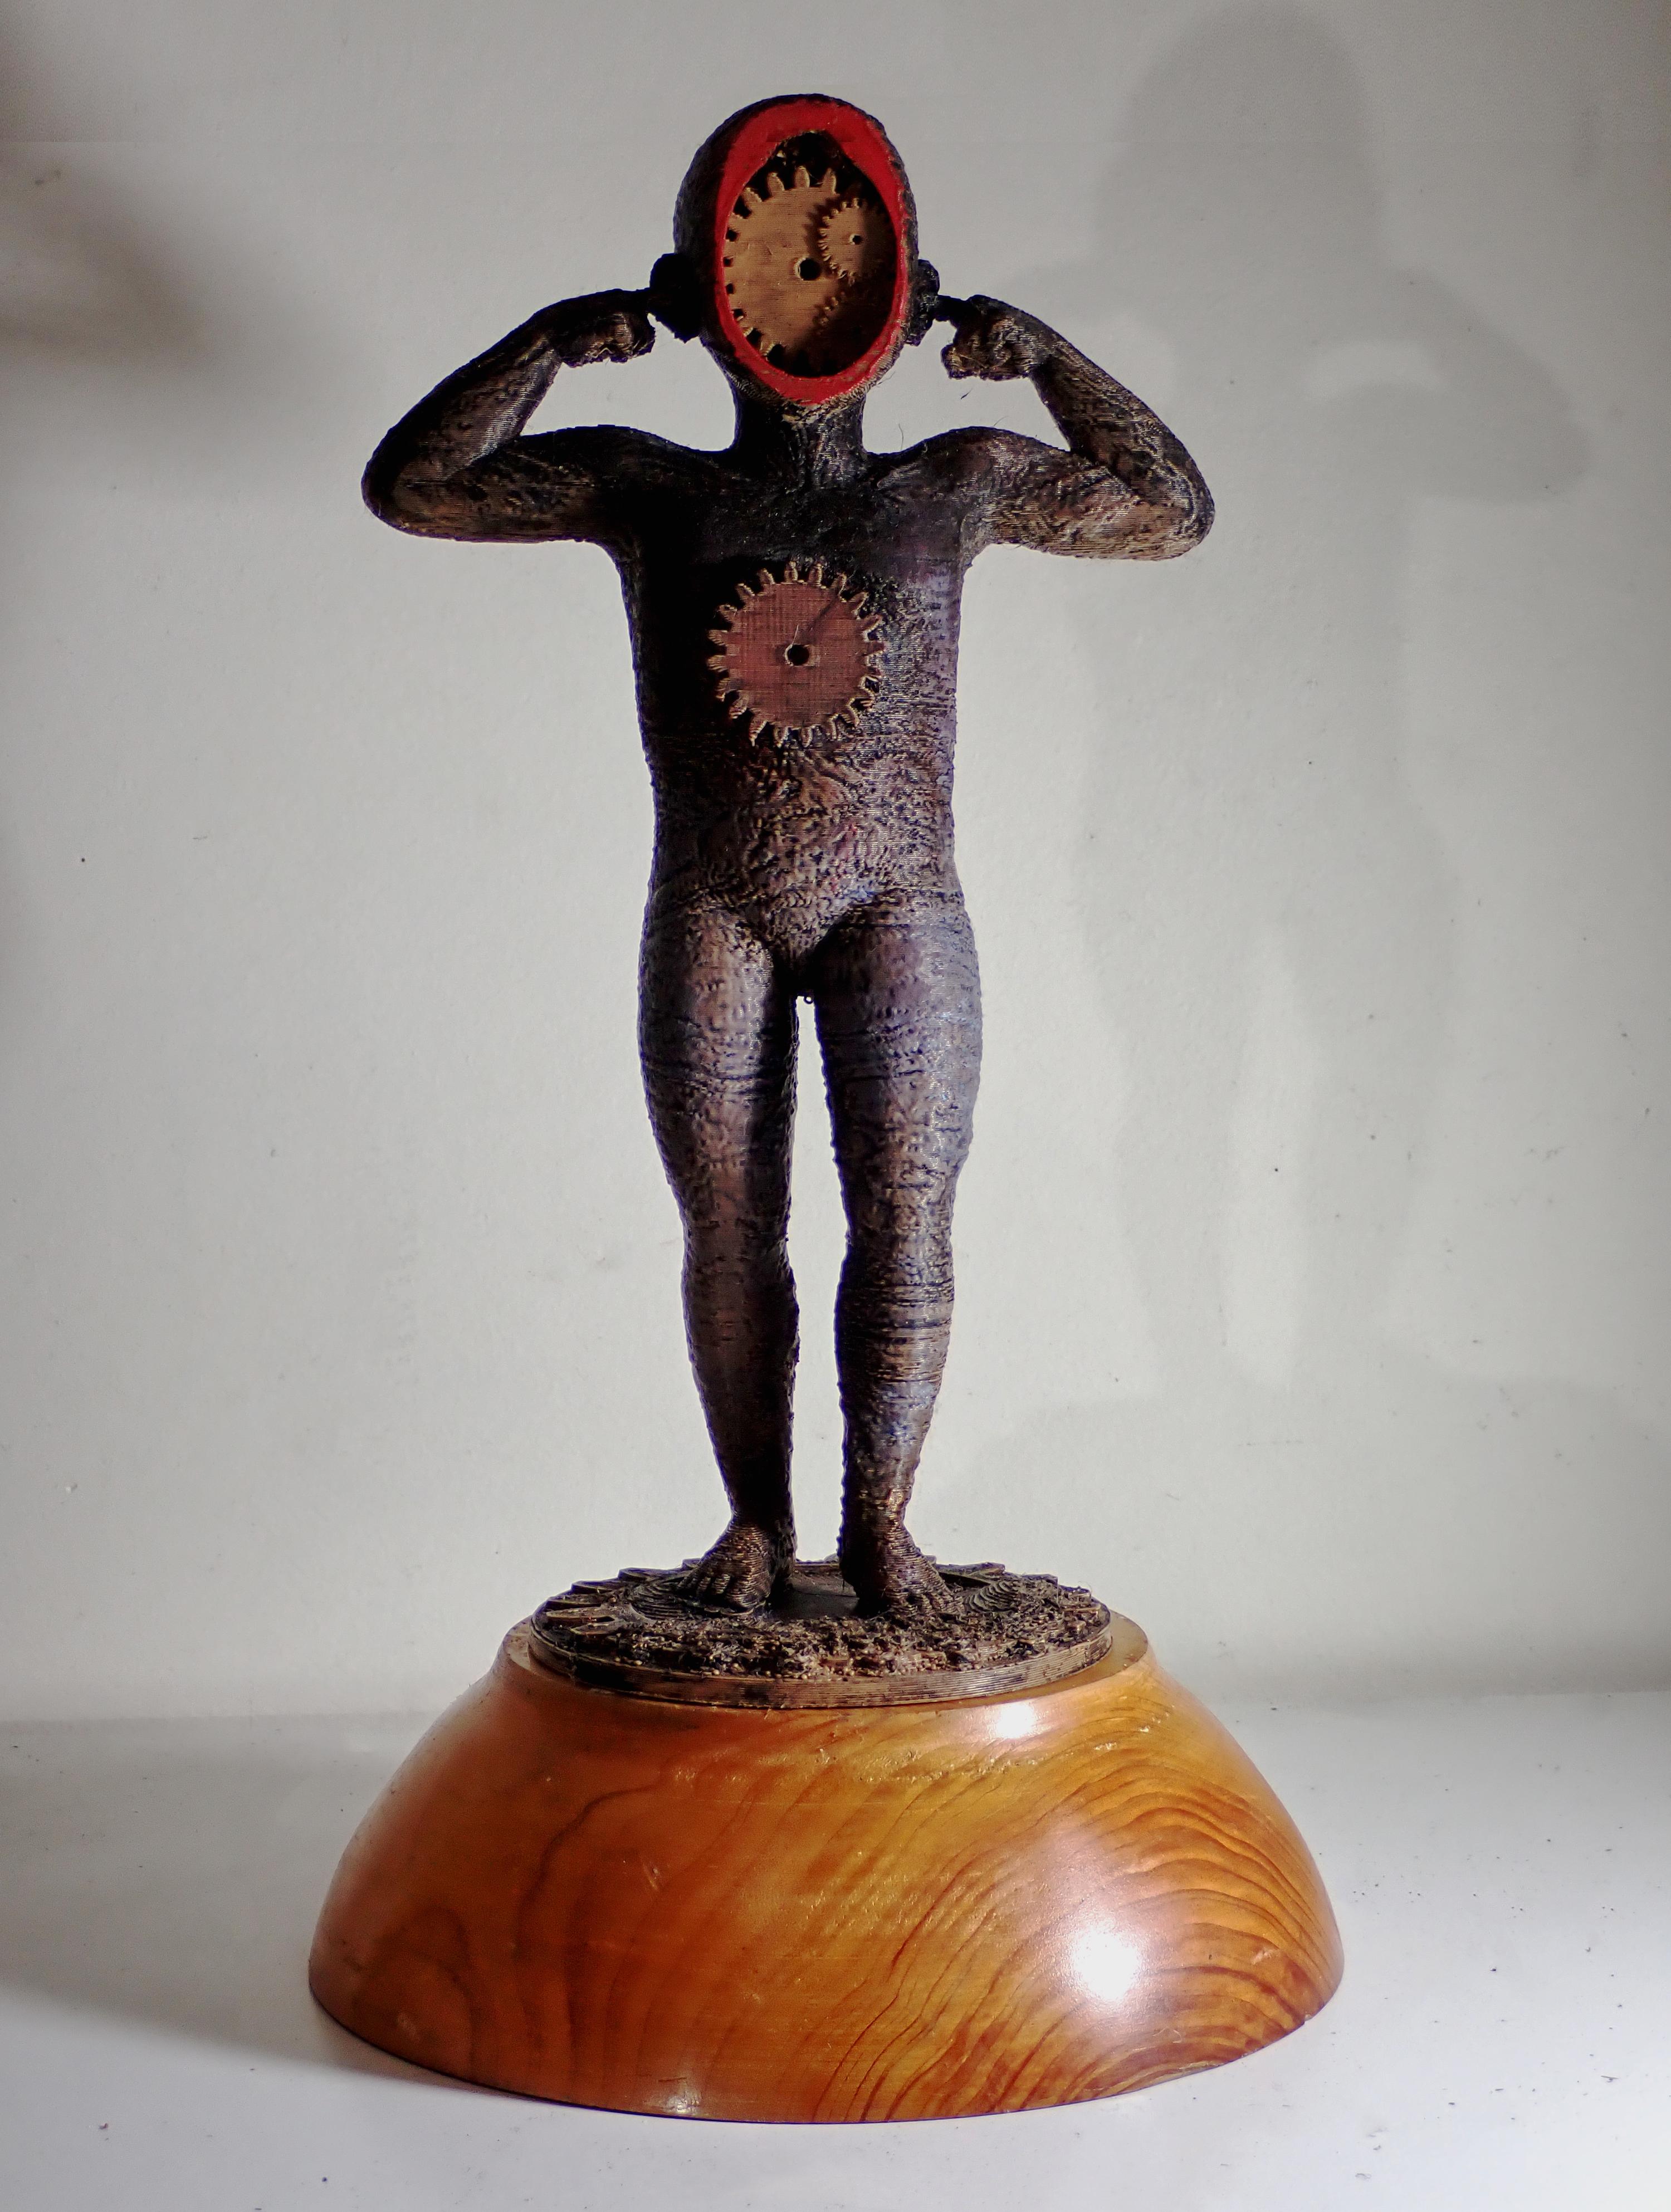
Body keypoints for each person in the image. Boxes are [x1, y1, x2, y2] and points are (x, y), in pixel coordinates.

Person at [362, 94, 1211, 1616]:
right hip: (717, 901)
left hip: (900, 901)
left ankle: (882, 1526)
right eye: (764, 252)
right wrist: (548, 342)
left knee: (906, 1214)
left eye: (848, 254)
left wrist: (1045, 356)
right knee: (730, 1227)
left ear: (907, 295)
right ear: (700, 298)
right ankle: (756, 1525)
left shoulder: (953, 485)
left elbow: (1168, 511)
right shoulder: (653, 491)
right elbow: (417, 484)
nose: (811, 282)